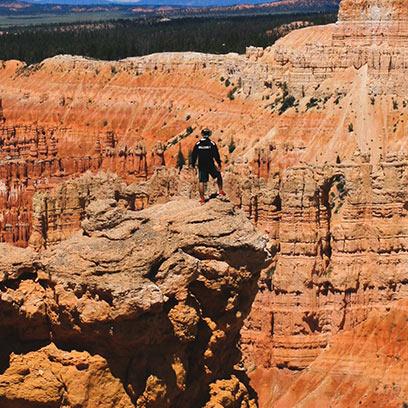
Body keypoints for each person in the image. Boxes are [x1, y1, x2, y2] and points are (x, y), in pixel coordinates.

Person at [191, 128, 226, 204]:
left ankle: (202, 199)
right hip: (210, 164)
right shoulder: (212, 143)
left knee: (201, 181)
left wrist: (193, 165)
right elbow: (216, 154)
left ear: (202, 134)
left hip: (201, 165)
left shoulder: (198, 144)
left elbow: (194, 155)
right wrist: (219, 163)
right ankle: (220, 191)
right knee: (218, 175)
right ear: (209, 134)